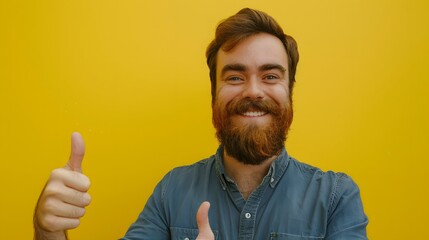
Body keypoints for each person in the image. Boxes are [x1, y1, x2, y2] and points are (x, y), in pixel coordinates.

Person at [34, 8, 368, 240]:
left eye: (270, 75)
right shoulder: (173, 191)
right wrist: (49, 231)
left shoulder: (336, 197)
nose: (253, 91)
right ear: (214, 95)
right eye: (235, 76)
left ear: (289, 92)